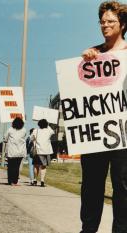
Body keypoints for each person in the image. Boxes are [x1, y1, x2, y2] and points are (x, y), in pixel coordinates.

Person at [80, 1, 127, 232]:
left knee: (123, 186)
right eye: (102, 21)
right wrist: (84, 61)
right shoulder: (94, 54)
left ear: (123, 24)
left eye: (110, 21)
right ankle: (88, 228)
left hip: (123, 133)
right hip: (95, 132)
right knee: (91, 185)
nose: (105, 25)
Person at [3, 117, 27, 186]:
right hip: (20, 152)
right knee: (17, 167)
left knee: (10, 167)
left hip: (11, 151)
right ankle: (15, 181)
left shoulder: (10, 129)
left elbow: (5, 138)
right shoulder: (24, 130)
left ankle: (10, 181)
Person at [31, 119, 54, 187]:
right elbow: (52, 132)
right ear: (47, 125)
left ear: (39, 124)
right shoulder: (49, 131)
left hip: (38, 151)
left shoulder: (36, 131)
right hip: (46, 151)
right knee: (43, 166)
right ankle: (42, 181)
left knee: (36, 166)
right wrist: (48, 125)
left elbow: (31, 138)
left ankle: (35, 180)